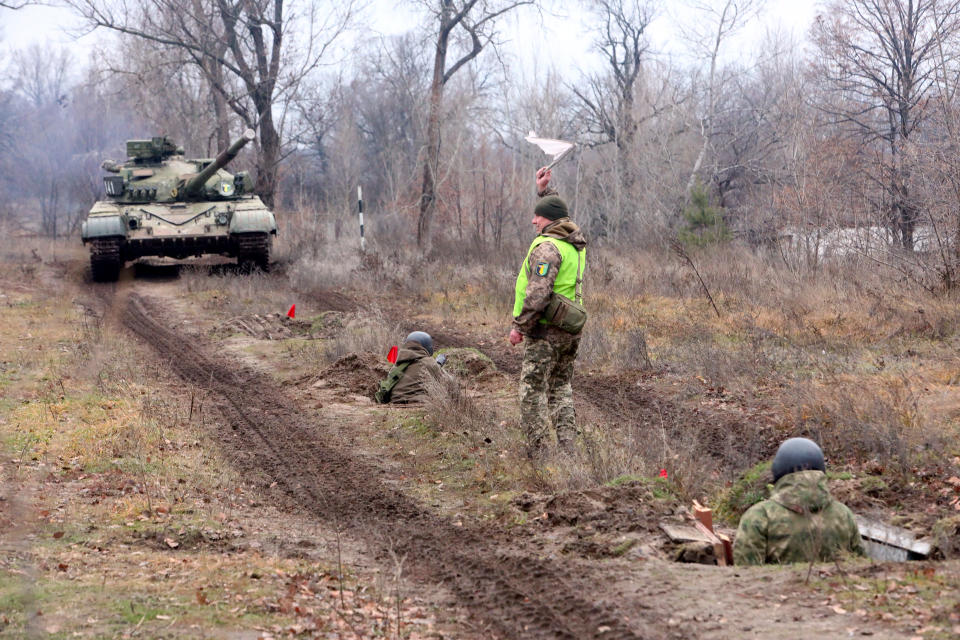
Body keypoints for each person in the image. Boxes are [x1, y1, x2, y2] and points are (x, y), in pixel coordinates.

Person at [509, 167, 588, 458]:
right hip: (570, 327)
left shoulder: (548, 248)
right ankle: (569, 450)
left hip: (545, 330)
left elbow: (538, 294)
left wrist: (520, 327)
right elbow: (559, 213)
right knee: (560, 388)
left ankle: (540, 454)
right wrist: (545, 191)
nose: (533, 220)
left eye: (538, 216)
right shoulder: (572, 242)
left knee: (532, 391)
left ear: (549, 221)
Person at [734, 437, 865, 565]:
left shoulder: (760, 516)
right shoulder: (844, 514)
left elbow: (744, 575)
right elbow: (862, 567)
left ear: (778, 469)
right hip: (833, 586)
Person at [375, 331, 448, 404]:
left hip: (395, 404)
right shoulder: (428, 362)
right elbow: (447, 381)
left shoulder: (397, 366)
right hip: (418, 404)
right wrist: (438, 364)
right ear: (427, 347)